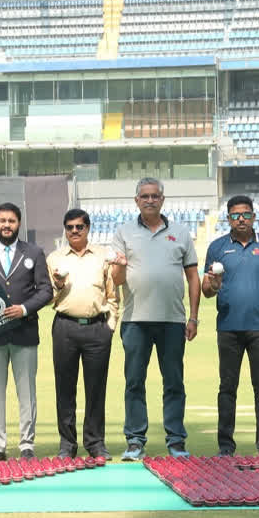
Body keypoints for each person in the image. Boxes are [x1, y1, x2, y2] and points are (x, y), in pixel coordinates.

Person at [109, 178, 201, 460]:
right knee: (134, 381)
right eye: (144, 196)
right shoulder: (123, 232)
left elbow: (193, 277)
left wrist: (194, 317)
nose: (150, 200)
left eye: (155, 196)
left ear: (163, 199)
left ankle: (176, 441)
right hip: (135, 320)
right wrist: (121, 268)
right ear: (136, 200)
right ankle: (135, 441)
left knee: (174, 382)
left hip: (173, 320)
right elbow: (116, 278)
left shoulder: (181, 232)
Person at [202, 194, 259, 457]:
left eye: (246, 214)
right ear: (228, 218)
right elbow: (207, 290)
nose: (241, 219)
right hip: (228, 327)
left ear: (254, 216)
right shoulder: (217, 247)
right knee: (227, 388)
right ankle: (225, 446)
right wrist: (213, 285)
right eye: (235, 215)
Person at [0, 202, 53, 463]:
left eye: (11, 221)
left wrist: (24, 309)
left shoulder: (35, 252)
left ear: (19, 223)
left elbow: (46, 290)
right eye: (2, 221)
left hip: (25, 333)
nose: (6, 225)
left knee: (26, 391)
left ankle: (27, 445)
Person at [48, 208, 117, 460]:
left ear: (88, 228)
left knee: (96, 388)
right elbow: (49, 298)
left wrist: (110, 326)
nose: (75, 231)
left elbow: (112, 295)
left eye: (79, 226)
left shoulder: (102, 256)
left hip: (98, 327)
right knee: (65, 388)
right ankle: (67, 443)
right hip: (65, 326)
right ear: (65, 230)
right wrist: (57, 286)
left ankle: (95, 442)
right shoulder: (55, 258)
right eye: (70, 227)